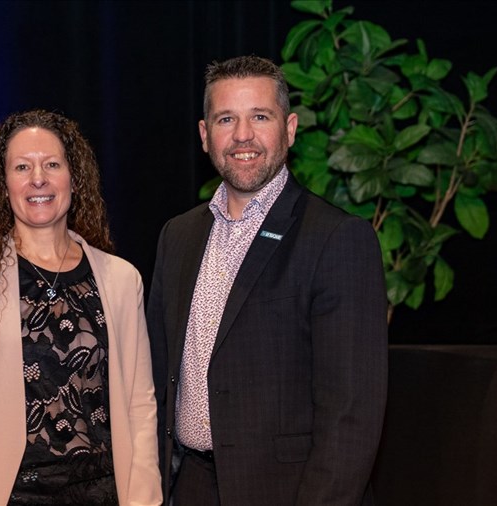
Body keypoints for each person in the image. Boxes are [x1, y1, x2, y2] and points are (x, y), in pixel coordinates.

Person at [147, 55, 388, 505]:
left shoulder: (337, 238)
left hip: (290, 492)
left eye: (260, 116)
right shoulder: (177, 237)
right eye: (226, 119)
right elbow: (158, 383)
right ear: (205, 135)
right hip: (191, 487)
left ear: (290, 128)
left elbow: (351, 415)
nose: (242, 135)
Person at [0, 110, 161, 505]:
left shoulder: (121, 279)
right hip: (8, 495)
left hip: (104, 493)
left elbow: (140, 406)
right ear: (4, 185)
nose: (38, 178)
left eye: (52, 164)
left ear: (74, 178)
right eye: (22, 166)